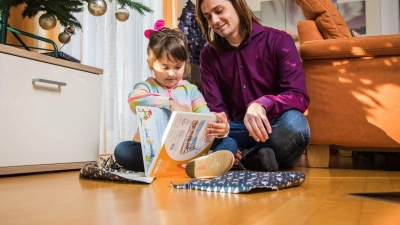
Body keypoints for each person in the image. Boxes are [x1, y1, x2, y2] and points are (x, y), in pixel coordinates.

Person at [195, 0, 311, 171]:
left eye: (219, 11)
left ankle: (243, 157)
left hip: (273, 129)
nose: (214, 21)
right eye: (208, 17)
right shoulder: (208, 56)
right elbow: (217, 110)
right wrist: (222, 133)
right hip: (234, 131)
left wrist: (263, 104)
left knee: (296, 124)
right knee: (202, 129)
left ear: (237, 5)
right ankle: (253, 156)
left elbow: (298, 95)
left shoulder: (280, 41)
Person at [113, 19, 237, 176]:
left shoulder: (191, 90)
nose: (171, 73)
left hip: (188, 151)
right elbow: (133, 100)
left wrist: (219, 127)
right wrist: (168, 102)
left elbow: (204, 116)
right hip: (153, 151)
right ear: (151, 64)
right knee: (122, 150)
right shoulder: (147, 86)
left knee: (229, 142)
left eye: (178, 67)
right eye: (164, 67)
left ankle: (199, 165)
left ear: (185, 64)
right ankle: (182, 168)